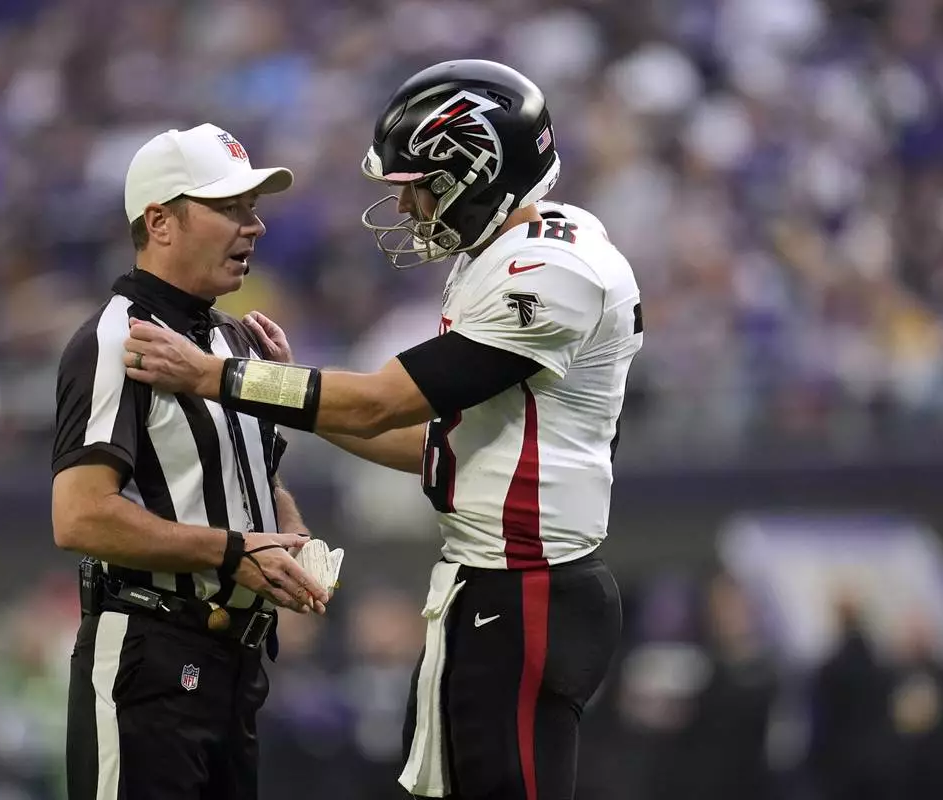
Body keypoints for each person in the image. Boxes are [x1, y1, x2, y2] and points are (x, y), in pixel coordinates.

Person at [121, 60, 643, 800]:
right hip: (497, 583)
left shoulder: (549, 273)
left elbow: (380, 404)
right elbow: (437, 448)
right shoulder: (522, 249)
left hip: (528, 586)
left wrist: (215, 376)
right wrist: (278, 394)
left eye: (419, 184)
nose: (406, 206)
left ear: (476, 174)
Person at [51, 122, 331, 800]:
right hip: (149, 654)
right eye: (230, 208)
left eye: (252, 208)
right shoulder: (117, 339)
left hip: (235, 661)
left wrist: (289, 538)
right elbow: (80, 516)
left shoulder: (235, 339)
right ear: (160, 222)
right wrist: (233, 552)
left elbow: (253, 479)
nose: (254, 226)